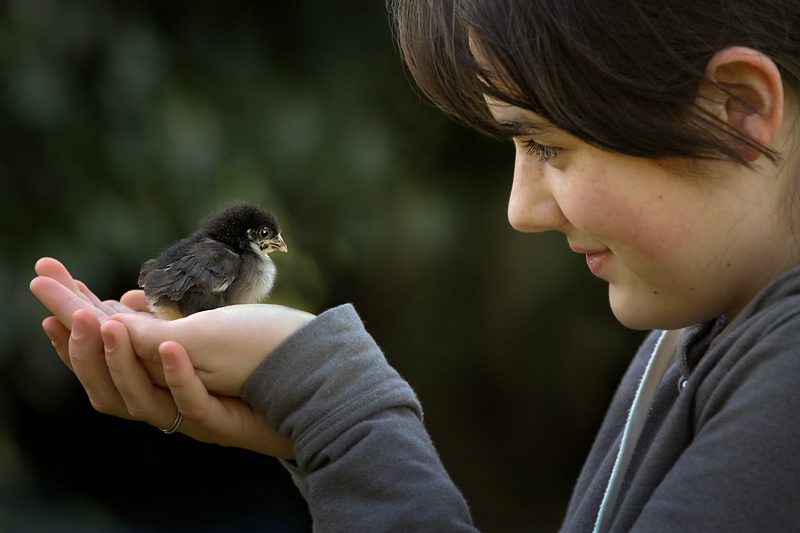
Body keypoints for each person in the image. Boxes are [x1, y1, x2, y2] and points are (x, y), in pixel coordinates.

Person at [29, 0, 800, 531]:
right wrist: (311, 414)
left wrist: (337, 408)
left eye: (547, 146)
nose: (521, 208)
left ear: (733, 109)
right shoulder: (706, 329)